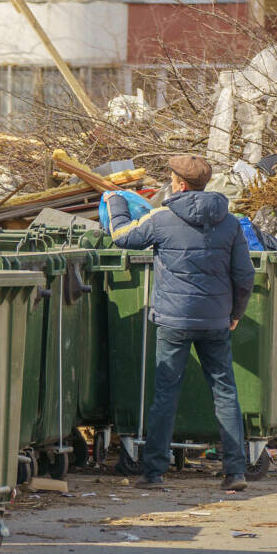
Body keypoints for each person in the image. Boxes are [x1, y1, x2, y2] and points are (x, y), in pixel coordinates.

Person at [104, 155, 255, 491]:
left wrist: (115, 201)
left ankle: (155, 473)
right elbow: (245, 275)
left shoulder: (163, 218)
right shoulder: (229, 222)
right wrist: (235, 314)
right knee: (225, 393)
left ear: (180, 184)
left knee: (166, 394)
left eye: (172, 178)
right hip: (216, 320)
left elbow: (122, 237)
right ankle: (235, 472)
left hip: (173, 319)